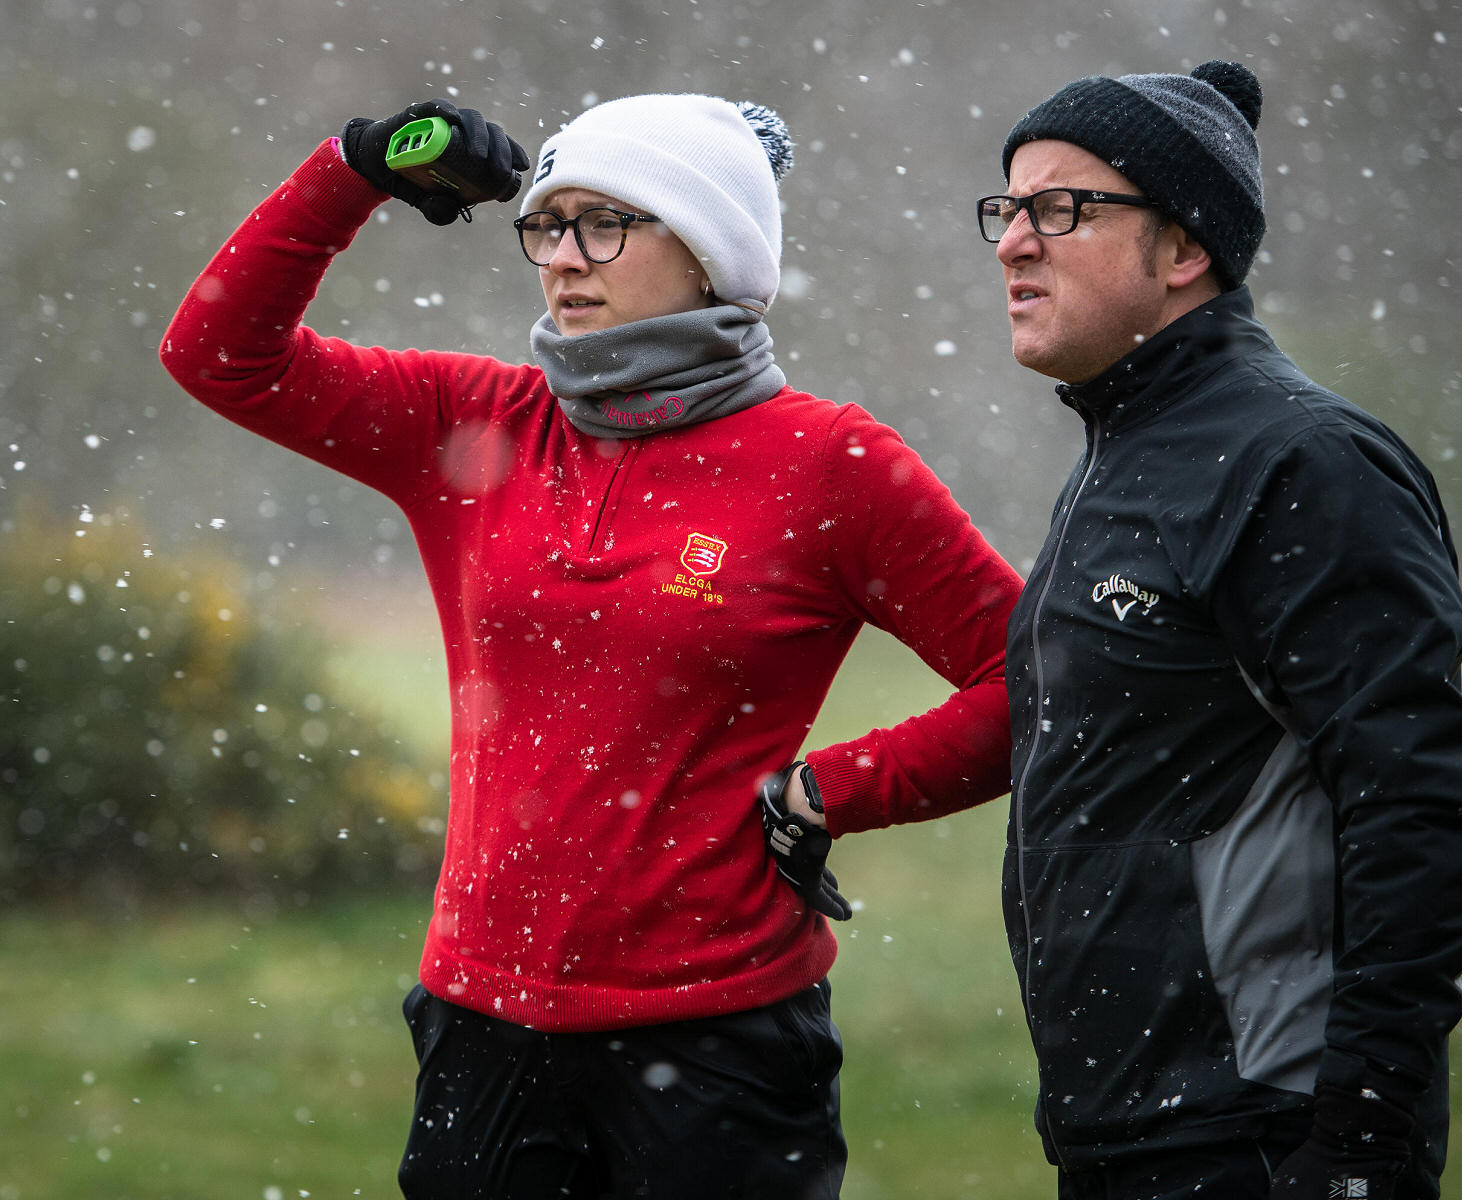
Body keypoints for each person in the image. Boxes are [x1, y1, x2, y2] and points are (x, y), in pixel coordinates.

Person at [160, 92, 1022, 1199]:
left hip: (721, 1052)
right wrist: (353, 169)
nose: (564, 257)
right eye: (546, 224)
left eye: (607, 222)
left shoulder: (832, 465)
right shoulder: (471, 422)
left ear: (711, 251)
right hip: (482, 1029)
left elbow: (1036, 684)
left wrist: (831, 791)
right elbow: (220, 354)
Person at [977, 61, 1462, 1200]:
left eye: (1062, 208)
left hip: (1264, 1136)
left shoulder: (1298, 462)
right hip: (1126, 1131)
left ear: (1184, 249)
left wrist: (1358, 1136)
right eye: (1007, 209)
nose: (1015, 241)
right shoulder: (1124, 454)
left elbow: (1417, 810)